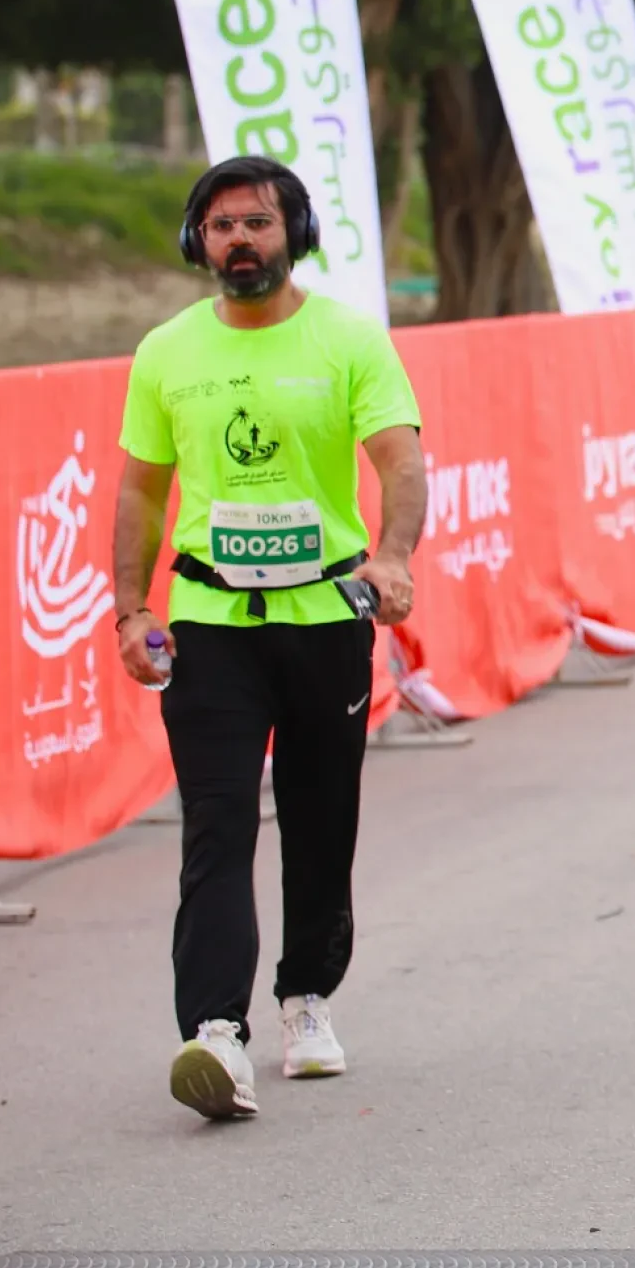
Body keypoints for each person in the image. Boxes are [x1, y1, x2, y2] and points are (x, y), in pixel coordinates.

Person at [113, 155, 426, 1121]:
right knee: (217, 823)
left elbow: (400, 461)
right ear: (197, 242)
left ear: (295, 233)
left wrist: (393, 557)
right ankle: (215, 1032)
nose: (239, 240)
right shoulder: (167, 351)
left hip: (326, 617)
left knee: (320, 818)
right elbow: (140, 491)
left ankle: (305, 999)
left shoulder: (348, 339)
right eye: (221, 226)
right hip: (209, 624)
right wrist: (131, 609)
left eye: (256, 222)